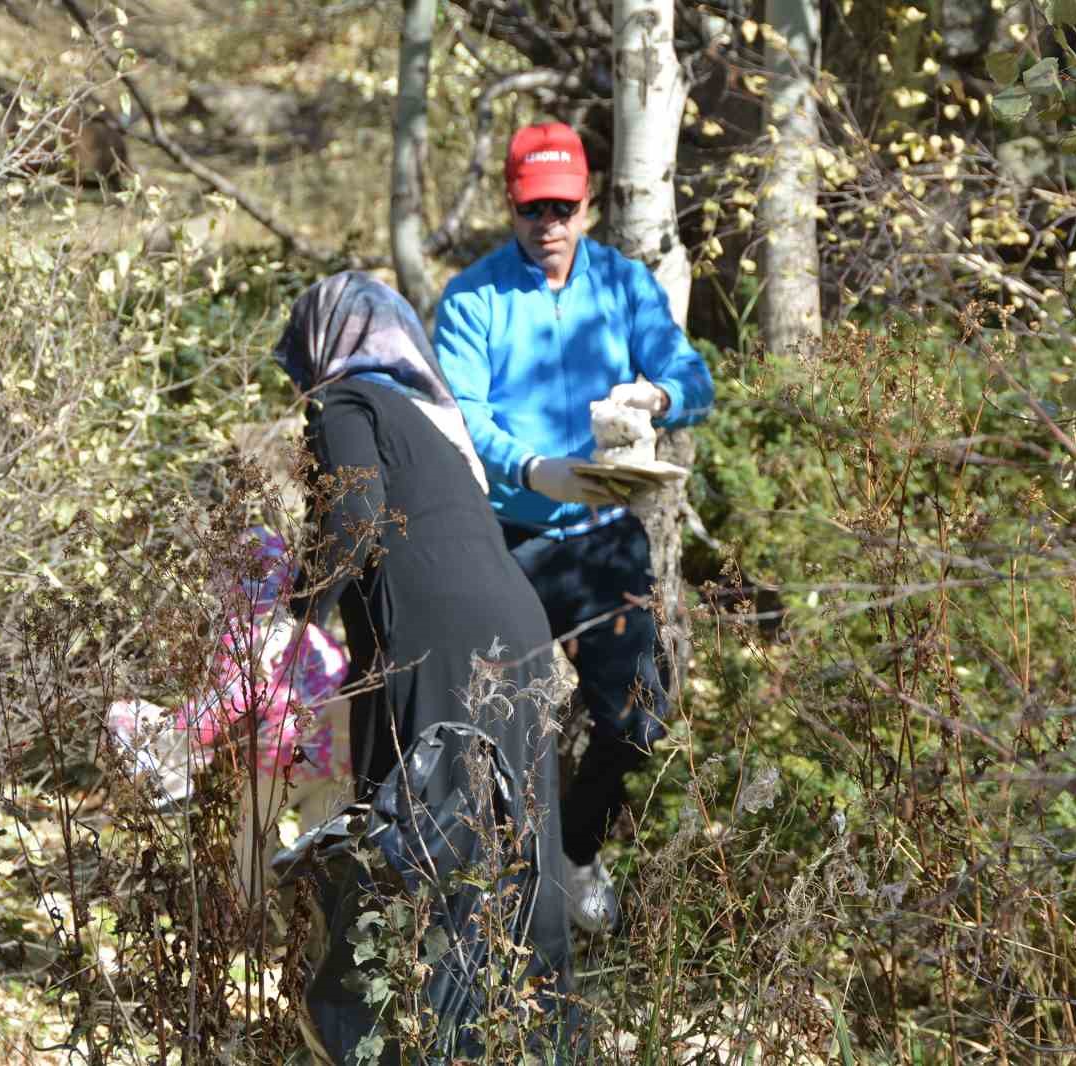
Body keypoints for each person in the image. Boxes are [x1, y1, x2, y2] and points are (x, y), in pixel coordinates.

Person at [273, 271, 575, 1057]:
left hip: (439, 643)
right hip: (521, 636)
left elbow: (355, 518)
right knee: (520, 854)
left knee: (423, 852)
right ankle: (540, 1042)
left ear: (322, 346)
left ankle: (419, 1043)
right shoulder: (437, 428)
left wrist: (291, 614)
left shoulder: (343, 403)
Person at [432, 121, 715, 933]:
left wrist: (655, 398)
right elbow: (462, 418)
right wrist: (528, 468)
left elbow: (692, 376)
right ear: (510, 207)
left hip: (600, 536)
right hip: (502, 541)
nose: (548, 224)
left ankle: (575, 851)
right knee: (484, 725)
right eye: (532, 208)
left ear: (587, 204)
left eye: (562, 206)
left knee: (639, 716)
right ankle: (486, 896)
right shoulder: (474, 296)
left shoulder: (623, 286)